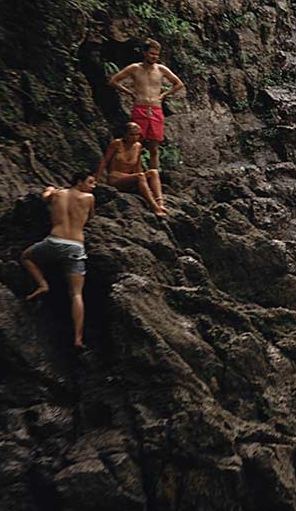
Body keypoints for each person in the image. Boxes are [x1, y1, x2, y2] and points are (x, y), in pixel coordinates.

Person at [21, 171, 97, 349]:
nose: (94, 186)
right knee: (77, 294)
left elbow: (44, 197)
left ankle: (42, 284)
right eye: (91, 182)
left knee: (26, 256)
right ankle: (78, 338)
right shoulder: (89, 198)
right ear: (79, 182)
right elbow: (90, 217)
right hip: (76, 246)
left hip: (54, 241)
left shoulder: (58, 194)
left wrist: (49, 190)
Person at [108, 39, 184, 171]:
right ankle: (137, 174)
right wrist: (130, 93)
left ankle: (153, 176)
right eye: (151, 53)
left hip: (156, 108)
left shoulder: (161, 69)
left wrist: (164, 94)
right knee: (136, 144)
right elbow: (113, 81)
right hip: (140, 108)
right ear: (144, 53)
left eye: (156, 54)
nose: (154, 56)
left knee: (154, 147)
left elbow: (178, 84)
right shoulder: (135, 68)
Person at [95, 121, 165, 215]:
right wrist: (97, 179)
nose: (135, 137)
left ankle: (160, 202)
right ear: (125, 134)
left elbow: (138, 166)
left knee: (153, 172)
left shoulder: (138, 146)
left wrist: (143, 181)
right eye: (132, 135)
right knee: (140, 176)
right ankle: (153, 206)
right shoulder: (117, 144)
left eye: (138, 135)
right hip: (115, 178)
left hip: (130, 177)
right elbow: (105, 161)